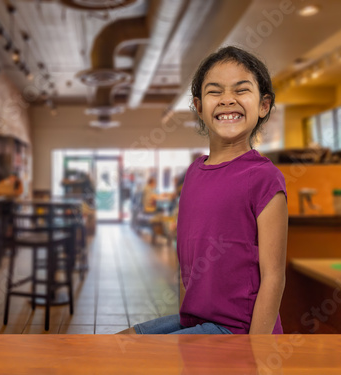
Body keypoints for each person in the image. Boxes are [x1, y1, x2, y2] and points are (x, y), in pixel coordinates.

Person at [118, 46, 288, 335]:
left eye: (241, 89)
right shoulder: (194, 173)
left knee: (139, 363)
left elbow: (274, 276)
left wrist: (257, 353)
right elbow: (187, 259)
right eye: (215, 91)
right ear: (198, 106)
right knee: (114, 348)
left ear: (263, 104)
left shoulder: (265, 178)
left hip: (239, 331)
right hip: (197, 319)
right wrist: (186, 322)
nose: (227, 100)